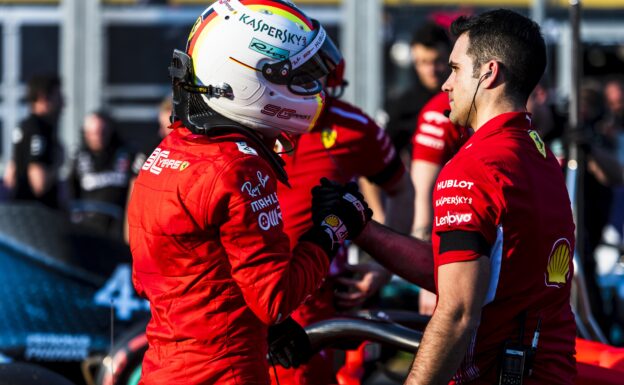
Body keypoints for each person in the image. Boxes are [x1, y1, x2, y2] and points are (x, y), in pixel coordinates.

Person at [310, 9, 577, 384]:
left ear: (489, 72)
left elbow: (457, 313)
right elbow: (469, 270)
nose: (445, 85)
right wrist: (364, 229)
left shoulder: (475, 167)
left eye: (454, 68)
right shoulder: (540, 156)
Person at [127, 1, 369, 384]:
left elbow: (167, 277)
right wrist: (332, 229)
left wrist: (262, 327)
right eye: (297, 75)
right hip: (223, 373)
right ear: (247, 77)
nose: (310, 88)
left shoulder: (168, 151)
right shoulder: (238, 167)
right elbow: (275, 298)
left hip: (163, 369)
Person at [272, 63, 414, 385]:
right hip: (241, 301)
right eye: (296, 68)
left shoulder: (353, 126)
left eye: (314, 68)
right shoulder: (243, 122)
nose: (305, 79)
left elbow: (402, 190)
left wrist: (385, 266)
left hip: (311, 303)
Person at [410, 91, 467, 315]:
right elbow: (420, 191)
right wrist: (427, 274)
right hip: (455, 251)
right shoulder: (440, 111)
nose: (447, 84)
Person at [385, 22, 451, 161]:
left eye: (438, 61)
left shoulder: (464, 100)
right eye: (423, 62)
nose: (431, 70)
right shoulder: (402, 106)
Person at [68, 111, 133, 238]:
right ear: (85, 134)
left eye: (102, 132)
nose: (98, 137)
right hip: (88, 226)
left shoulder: (126, 155)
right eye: (93, 133)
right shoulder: (78, 157)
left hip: (117, 225)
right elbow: (70, 192)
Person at [3, 75, 64, 209]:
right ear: (43, 98)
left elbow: (10, 177)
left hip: (20, 213)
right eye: (58, 97)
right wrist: (58, 163)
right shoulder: (40, 129)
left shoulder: (24, 126)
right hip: (39, 217)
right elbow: (39, 183)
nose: (63, 103)